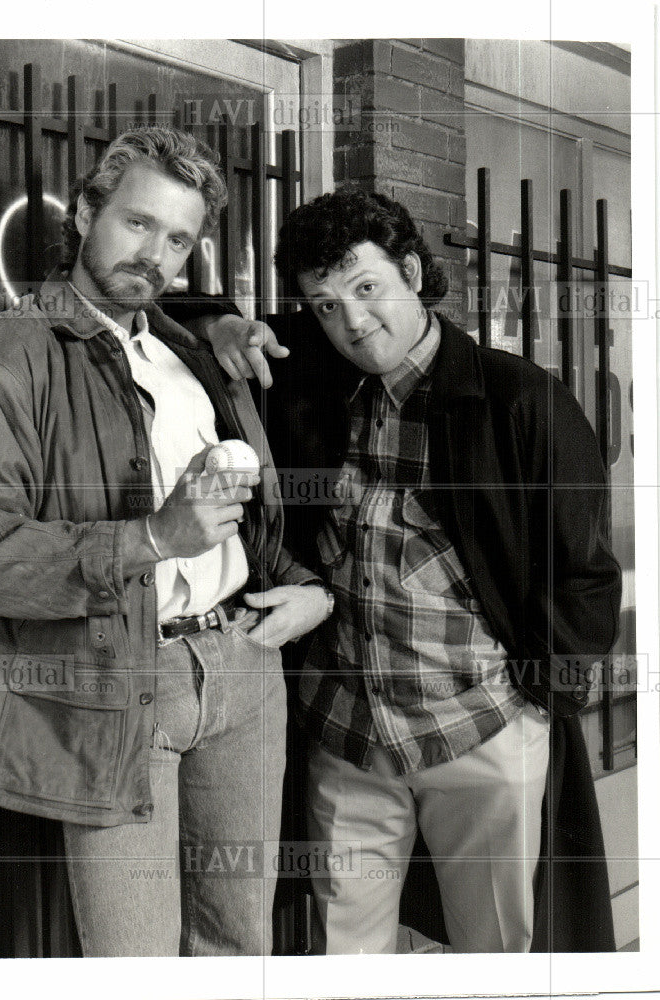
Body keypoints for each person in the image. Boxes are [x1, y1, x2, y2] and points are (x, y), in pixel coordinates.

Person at [0, 125, 331, 957]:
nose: (155, 253)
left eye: (178, 238)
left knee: (239, 947)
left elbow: (238, 515)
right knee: (133, 961)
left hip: (246, 667)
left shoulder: (190, 351)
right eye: (137, 223)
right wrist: (149, 537)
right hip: (115, 681)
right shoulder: (0, 357)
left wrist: (308, 589)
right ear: (82, 212)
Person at [195, 188, 622, 953]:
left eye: (367, 289)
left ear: (413, 272)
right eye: (325, 306)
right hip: (347, 733)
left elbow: (583, 573)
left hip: (479, 727)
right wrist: (222, 322)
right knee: (344, 954)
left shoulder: (520, 400)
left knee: (496, 952)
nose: (353, 323)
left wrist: (539, 697)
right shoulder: (309, 374)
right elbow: (184, 319)